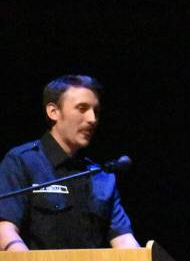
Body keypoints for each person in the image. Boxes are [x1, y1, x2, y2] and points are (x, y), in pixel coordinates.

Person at [0, 74, 140, 251]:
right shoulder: (22, 161)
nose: (92, 119)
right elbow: (5, 229)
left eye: (96, 111)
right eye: (82, 108)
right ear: (53, 112)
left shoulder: (102, 177)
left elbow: (124, 241)